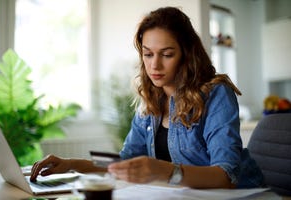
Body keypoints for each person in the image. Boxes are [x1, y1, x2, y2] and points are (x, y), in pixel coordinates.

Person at [30, 6, 264, 189]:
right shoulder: (152, 99)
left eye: (167, 54)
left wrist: (164, 171)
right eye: (148, 54)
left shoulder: (216, 94)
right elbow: (124, 163)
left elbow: (226, 176)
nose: (155, 65)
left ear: (186, 55)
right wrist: (72, 164)